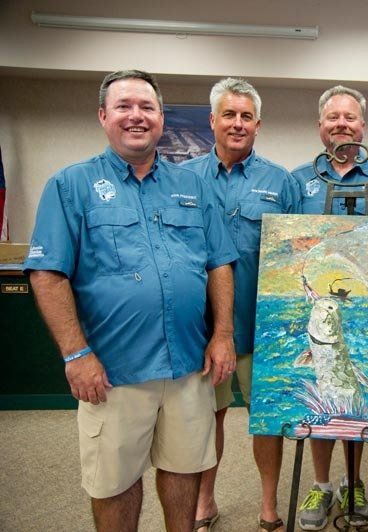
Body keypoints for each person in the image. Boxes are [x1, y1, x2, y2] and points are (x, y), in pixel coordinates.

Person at [23, 70, 239, 532]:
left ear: (162, 118)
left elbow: (219, 262)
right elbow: (47, 273)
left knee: (184, 468)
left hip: (187, 365)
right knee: (114, 482)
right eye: (124, 106)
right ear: (103, 116)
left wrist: (222, 334)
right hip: (114, 370)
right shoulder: (71, 185)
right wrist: (76, 354)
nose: (136, 116)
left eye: (147, 107)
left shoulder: (193, 186)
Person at [182, 78, 301, 532]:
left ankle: (268, 506)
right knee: (204, 420)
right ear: (212, 121)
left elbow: (296, 257)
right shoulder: (183, 178)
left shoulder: (280, 182)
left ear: (258, 124)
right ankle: (205, 502)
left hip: (262, 328)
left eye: (246, 116)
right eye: (228, 115)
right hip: (200, 330)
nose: (237, 124)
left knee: (265, 421)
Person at [291, 85, 368, 530]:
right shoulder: (297, 179)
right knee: (323, 386)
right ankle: (321, 483)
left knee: (352, 392)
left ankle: (354, 481)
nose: (342, 124)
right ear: (321, 126)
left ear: (363, 126)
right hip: (319, 305)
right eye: (333, 117)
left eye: (350, 117)